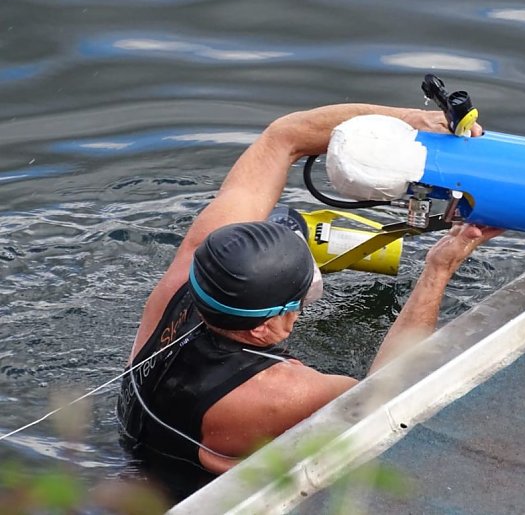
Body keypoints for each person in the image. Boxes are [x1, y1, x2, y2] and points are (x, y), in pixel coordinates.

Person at [116, 103, 502, 478]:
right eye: (303, 297)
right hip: (188, 494)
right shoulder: (284, 392)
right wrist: (440, 266)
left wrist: (412, 123)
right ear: (262, 327)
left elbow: (284, 136)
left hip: (135, 442)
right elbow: (387, 400)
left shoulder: (187, 268)